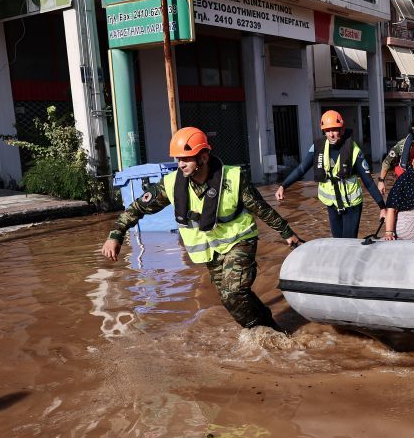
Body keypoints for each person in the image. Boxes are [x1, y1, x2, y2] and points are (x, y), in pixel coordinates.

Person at [101, 127, 300, 332]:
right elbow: (138, 207)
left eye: (186, 159)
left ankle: (260, 333)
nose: (180, 164)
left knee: (234, 294)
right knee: (230, 298)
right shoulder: (170, 184)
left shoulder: (232, 178)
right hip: (210, 251)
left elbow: (261, 208)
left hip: (239, 241)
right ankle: (272, 330)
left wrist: (286, 233)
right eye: (178, 159)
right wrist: (116, 234)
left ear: (203, 157)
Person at [275, 110, 386, 238]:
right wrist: (283, 186)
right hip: (332, 204)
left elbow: (369, 182)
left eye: (335, 130)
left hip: (352, 204)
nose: (332, 134)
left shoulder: (353, 149)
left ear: (342, 129)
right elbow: (301, 169)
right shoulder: (318, 147)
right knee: (337, 242)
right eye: (328, 131)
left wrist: (382, 207)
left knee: (348, 243)